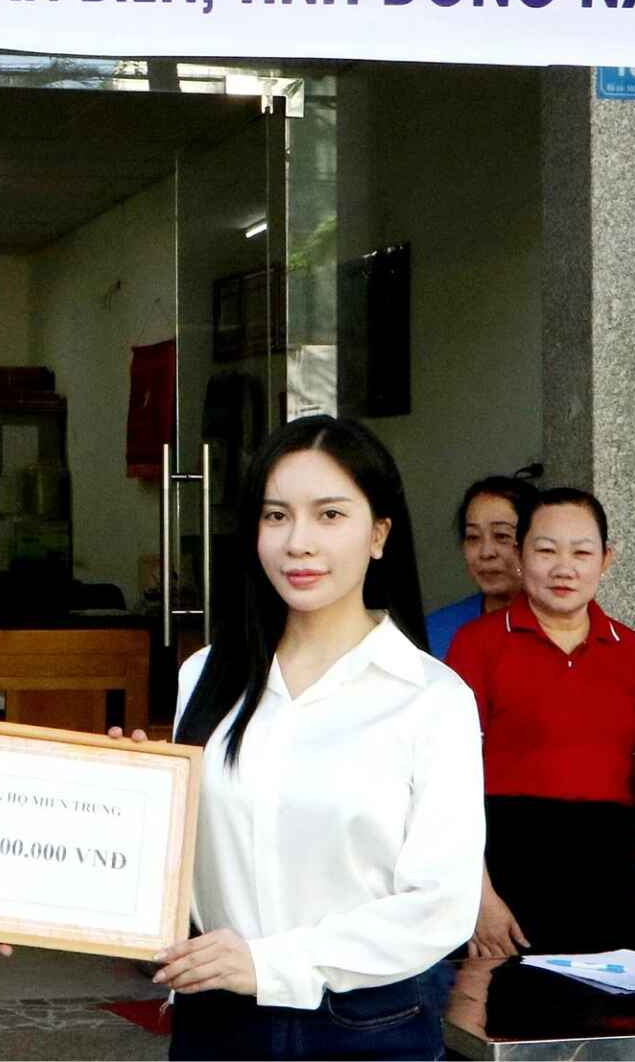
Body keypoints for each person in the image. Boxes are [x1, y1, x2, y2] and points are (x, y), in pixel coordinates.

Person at [154, 414, 483, 1060]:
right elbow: (178, 861)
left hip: (369, 1027)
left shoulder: (431, 699)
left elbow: (441, 905)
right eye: (276, 517)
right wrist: (126, 791)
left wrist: (273, 962)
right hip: (218, 1024)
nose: (298, 542)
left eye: (329, 516)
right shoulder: (206, 677)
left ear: (380, 533)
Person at [445, 488, 635, 956]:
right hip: (505, 871)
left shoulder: (633, 653)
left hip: (607, 876)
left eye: (582, 552)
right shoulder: (477, 645)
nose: (564, 567)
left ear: (606, 559)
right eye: (546, 550)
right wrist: (479, 899)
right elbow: (446, 785)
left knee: (614, 1021)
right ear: (520, 557)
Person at [424, 475, 535, 659]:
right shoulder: (436, 631)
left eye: (501, 536)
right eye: (473, 537)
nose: (486, 552)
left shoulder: (564, 630)